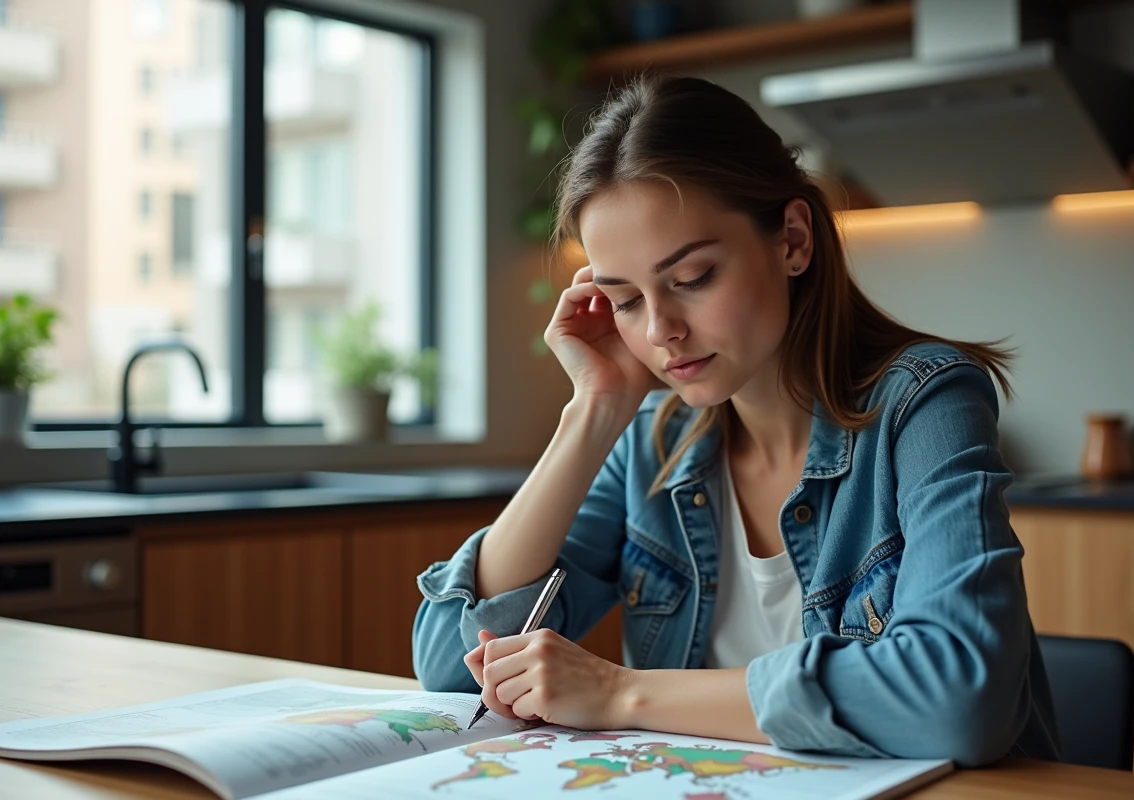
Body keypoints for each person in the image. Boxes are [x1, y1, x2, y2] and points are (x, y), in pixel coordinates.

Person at [412, 73, 1060, 767]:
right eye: (625, 299)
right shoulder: (650, 444)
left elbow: (960, 705)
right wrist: (592, 413)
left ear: (792, 240)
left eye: (692, 279)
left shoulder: (924, 402)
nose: (662, 330)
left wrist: (622, 694)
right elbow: (451, 662)